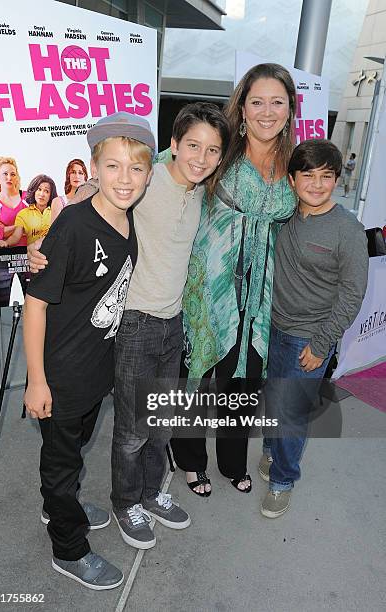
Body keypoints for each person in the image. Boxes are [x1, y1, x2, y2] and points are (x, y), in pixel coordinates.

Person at [28, 102, 230, 549]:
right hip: (134, 322)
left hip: (173, 322)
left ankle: (149, 493)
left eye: (212, 150)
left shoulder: (201, 191)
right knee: (133, 429)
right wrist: (44, 239)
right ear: (172, 146)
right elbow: (89, 198)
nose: (200, 157)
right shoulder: (147, 178)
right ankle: (125, 504)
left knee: (161, 423)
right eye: (192, 145)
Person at [22, 112, 155, 589]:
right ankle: (69, 548)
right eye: (113, 166)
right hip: (60, 373)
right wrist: (36, 380)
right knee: (60, 463)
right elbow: (35, 304)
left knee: (72, 451)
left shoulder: (130, 219)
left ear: (148, 174)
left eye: (136, 168)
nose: (125, 179)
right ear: (94, 167)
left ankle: (57, 504)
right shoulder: (75, 224)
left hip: (96, 368)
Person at [171, 63, 297, 496]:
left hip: (262, 297)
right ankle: (188, 460)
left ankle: (231, 462)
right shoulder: (220, 152)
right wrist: (89, 190)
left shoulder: (295, 165)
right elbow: (161, 168)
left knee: (243, 380)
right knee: (198, 378)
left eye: (276, 102)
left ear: (289, 109)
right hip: (208, 290)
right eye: (257, 101)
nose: (266, 111)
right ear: (241, 108)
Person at [259, 139, 368, 518]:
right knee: (273, 398)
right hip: (272, 328)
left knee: (292, 414)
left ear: (337, 180)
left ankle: (283, 480)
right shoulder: (283, 215)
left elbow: (353, 295)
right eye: (308, 174)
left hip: (309, 338)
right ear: (292, 180)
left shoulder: (347, 230)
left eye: (326, 176)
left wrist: (322, 344)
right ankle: (272, 451)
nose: (317, 184)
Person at [0, 157, 29, 307]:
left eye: (13, 174)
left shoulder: (27, 197)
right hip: (2, 255)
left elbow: (35, 227)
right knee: (1, 300)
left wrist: (5, 227)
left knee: (34, 301)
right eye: (5, 174)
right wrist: (20, 226)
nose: (9, 177)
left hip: (27, 253)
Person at [0, 174, 57, 248]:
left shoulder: (56, 212)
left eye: (46, 191)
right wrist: (6, 243)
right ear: (34, 191)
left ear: (51, 195)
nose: (42, 194)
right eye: (39, 189)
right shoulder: (23, 214)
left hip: (54, 255)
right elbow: (16, 237)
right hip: (32, 256)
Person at [50, 158, 88, 223]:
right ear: (68, 176)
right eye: (73, 172)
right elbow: (54, 231)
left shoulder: (91, 201)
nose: (77, 176)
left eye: (80, 173)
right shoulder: (58, 202)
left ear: (85, 178)